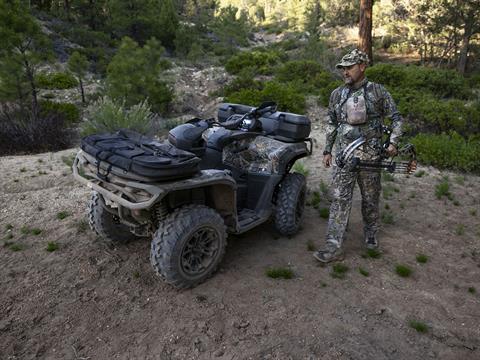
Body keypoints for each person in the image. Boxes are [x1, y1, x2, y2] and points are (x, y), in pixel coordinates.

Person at [313, 49, 403, 263]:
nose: (345, 72)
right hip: (344, 157)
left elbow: (397, 118)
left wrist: (393, 143)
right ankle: (333, 245)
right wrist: (327, 150)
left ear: (362, 66)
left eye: (349, 67)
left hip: (370, 158)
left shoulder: (378, 92)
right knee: (339, 199)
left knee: (370, 199)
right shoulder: (336, 94)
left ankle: (371, 232)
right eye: (343, 68)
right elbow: (332, 123)